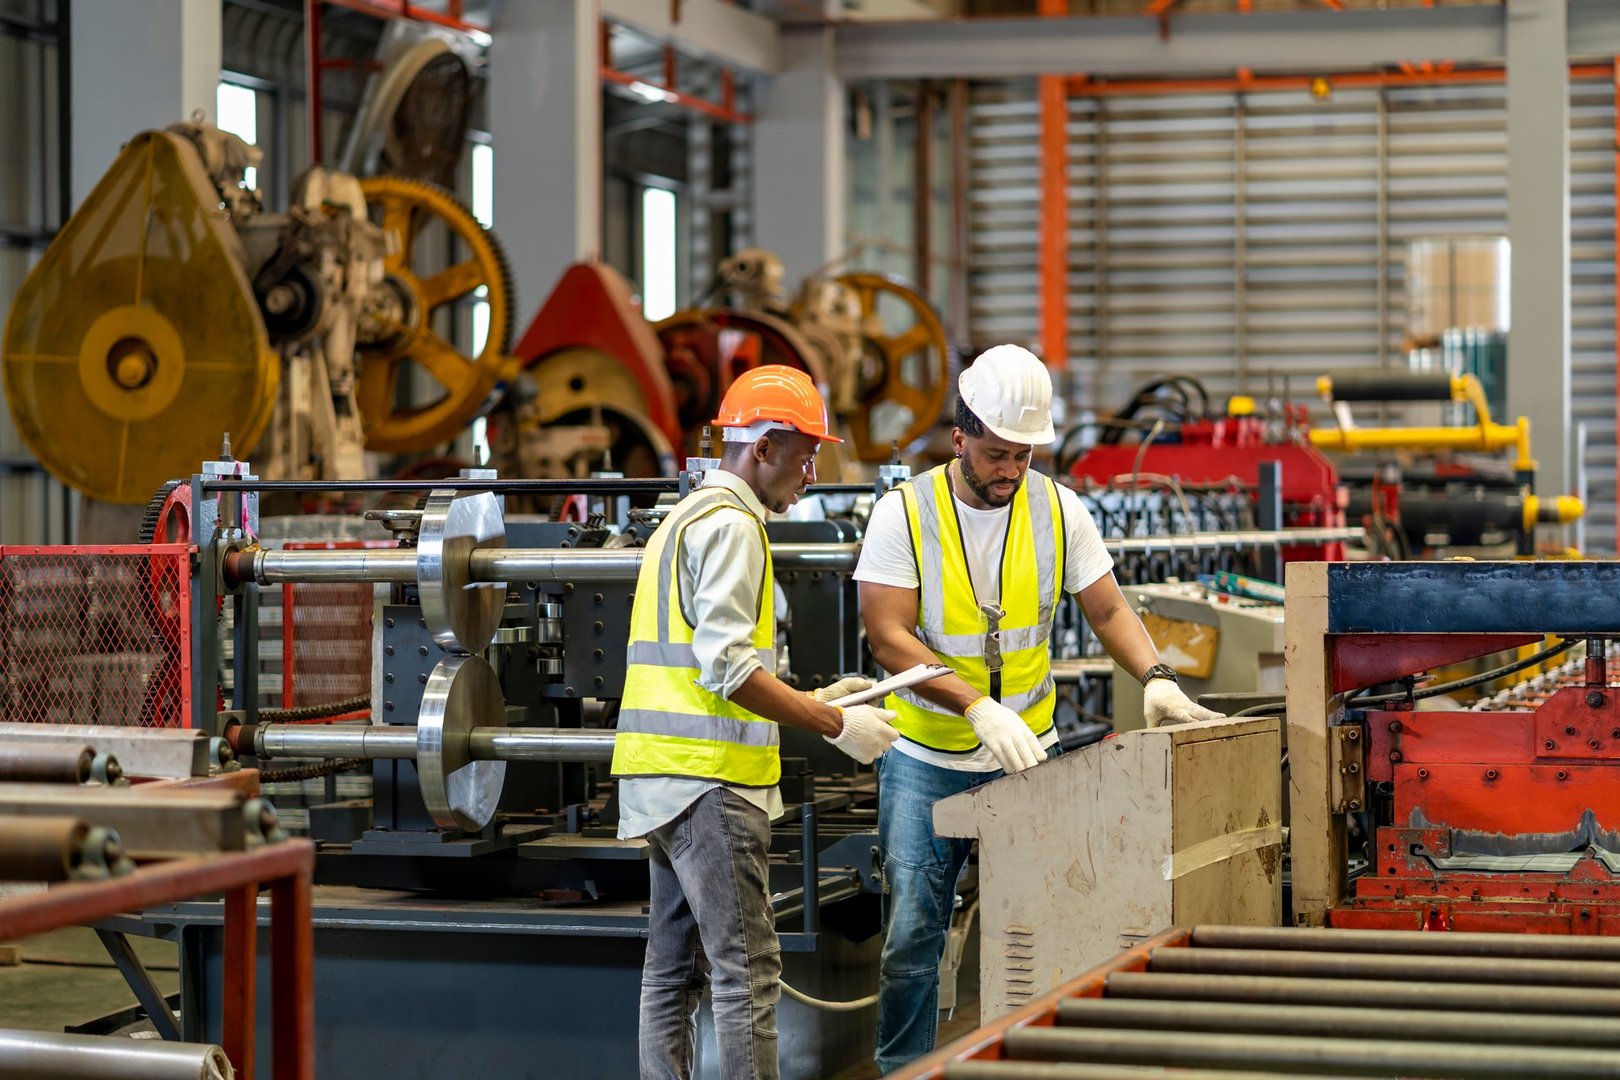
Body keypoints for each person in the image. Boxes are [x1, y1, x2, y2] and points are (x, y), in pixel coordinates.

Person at [855, 344, 1224, 1073]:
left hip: (1028, 754)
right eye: (997, 454)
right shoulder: (903, 513)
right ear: (959, 436)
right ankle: (904, 1070)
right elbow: (887, 637)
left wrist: (1155, 674)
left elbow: (1109, 606)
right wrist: (971, 706)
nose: (1011, 471)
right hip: (926, 758)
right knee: (911, 939)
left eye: (1023, 456)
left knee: (1052, 925)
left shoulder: (1058, 508)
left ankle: (1040, 1065)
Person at [611, 365, 902, 1080]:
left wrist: (814, 694)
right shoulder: (736, 527)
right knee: (748, 971)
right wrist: (832, 722)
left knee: (671, 968)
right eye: (805, 455)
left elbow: (709, 660)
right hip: (710, 783)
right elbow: (730, 670)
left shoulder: (684, 516)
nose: (810, 474)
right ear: (764, 448)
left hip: (659, 775)